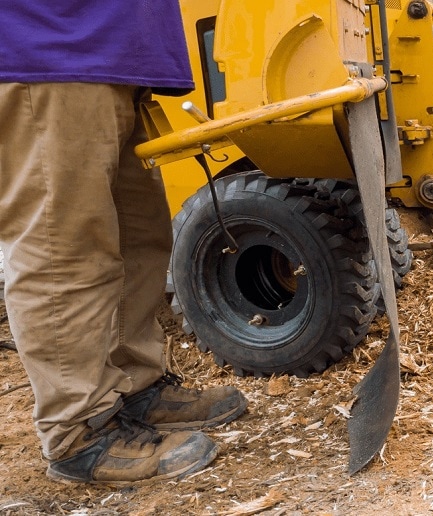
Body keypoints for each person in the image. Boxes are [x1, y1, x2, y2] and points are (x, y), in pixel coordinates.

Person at [0, 3, 249, 484]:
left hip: (115, 54)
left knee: (140, 238)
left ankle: (136, 386)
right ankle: (77, 430)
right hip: (48, 46)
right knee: (64, 249)